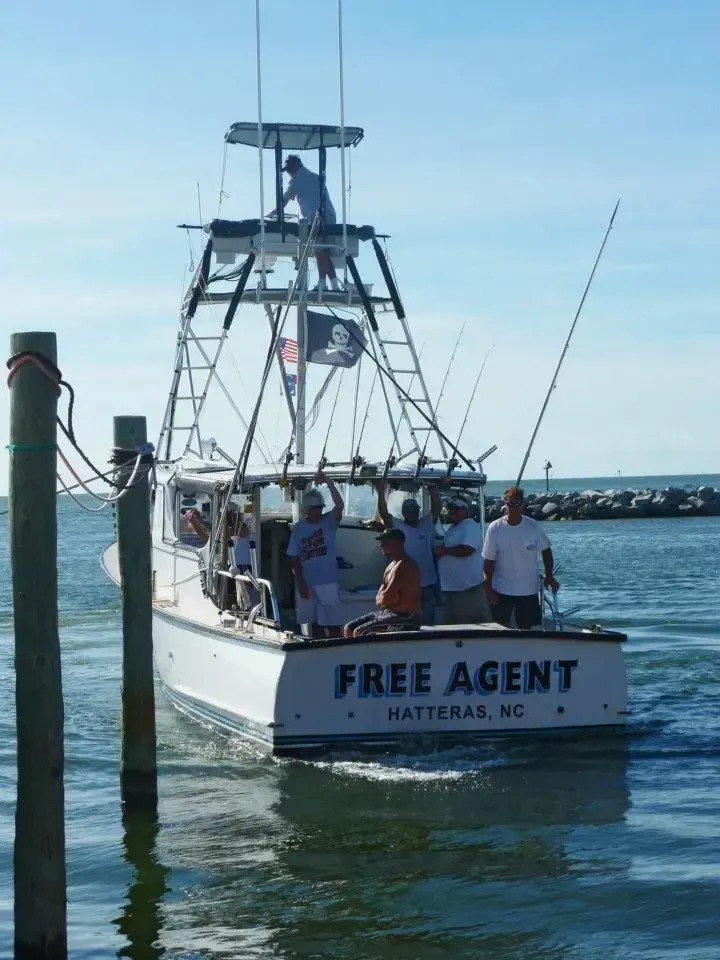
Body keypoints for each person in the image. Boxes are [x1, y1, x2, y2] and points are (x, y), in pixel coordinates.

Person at [482, 485, 560, 629]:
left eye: (517, 504)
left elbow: (546, 551)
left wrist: (549, 575)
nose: (513, 508)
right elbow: (488, 559)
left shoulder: (533, 527)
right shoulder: (495, 528)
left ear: (523, 504)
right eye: (510, 504)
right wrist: (488, 586)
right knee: (500, 627)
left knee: (527, 629)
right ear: (505, 504)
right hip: (501, 589)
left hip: (528, 590)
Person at [268, 154, 341, 292]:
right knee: (324, 251)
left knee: (320, 252)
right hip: (330, 217)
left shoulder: (297, 180)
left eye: (288, 169)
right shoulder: (314, 176)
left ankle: (322, 283)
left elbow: (282, 202)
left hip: (317, 219)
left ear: (296, 165)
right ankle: (333, 285)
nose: (288, 172)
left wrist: (270, 215)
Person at [286, 470, 344, 637]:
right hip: (308, 583)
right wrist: (300, 583)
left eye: (320, 507)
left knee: (332, 624)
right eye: (316, 508)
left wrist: (329, 484)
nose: (319, 510)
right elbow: (294, 560)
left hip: (328, 582)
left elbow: (339, 506)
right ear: (307, 509)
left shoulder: (329, 522)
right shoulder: (298, 529)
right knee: (314, 623)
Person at [376, 481, 441, 624]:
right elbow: (384, 514)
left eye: (416, 509)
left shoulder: (426, 524)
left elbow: (437, 509)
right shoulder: (398, 526)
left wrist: (433, 490)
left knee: (428, 622)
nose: (414, 512)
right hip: (407, 586)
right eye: (410, 510)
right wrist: (381, 493)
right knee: (408, 621)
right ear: (404, 512)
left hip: (428, 583)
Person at [343, 528, 421, 637]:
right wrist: (385, 599)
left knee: (360, 632)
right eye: (381, 542)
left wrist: (384, 599)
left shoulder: (405, 565)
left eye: (385, 542)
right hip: (387, 613)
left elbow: (385, 598)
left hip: (407, 618)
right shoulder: (391, 565)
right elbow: (382, 597)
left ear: (398, 543)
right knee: (349, 628)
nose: (381, 545)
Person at [433, 496, 490, 624]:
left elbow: (467, 549)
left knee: (471, 626)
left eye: (456, 509)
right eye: (450, 509)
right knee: (454, 625)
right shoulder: (453, 528)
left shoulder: (469, 526)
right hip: (453, 589)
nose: (452, 511)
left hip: (467, 589)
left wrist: (444, 551)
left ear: (465, 510)